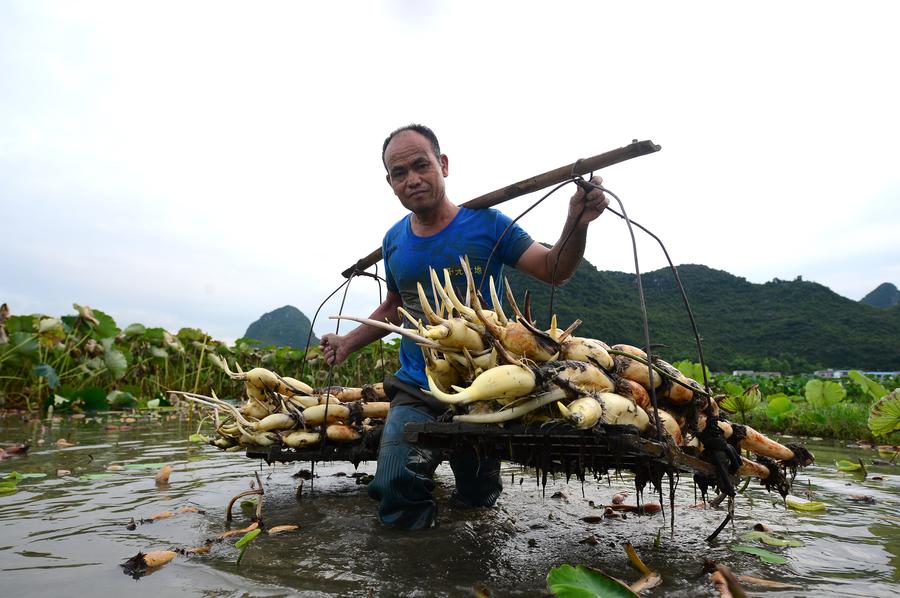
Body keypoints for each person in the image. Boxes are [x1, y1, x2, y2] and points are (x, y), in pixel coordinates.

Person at [320, 124, 608, 529]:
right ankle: (410, 572)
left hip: (484, 384)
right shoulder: (394, 241)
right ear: (390, 182)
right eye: (399, 173)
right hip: (418, 382)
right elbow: (396, 307)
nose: (413, 179)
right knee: (395, 480)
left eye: (421, 165)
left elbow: (554, 268)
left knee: (478, 497)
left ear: (443, 165)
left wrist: (577, 223)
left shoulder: (488, 225)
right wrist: (349, 341)